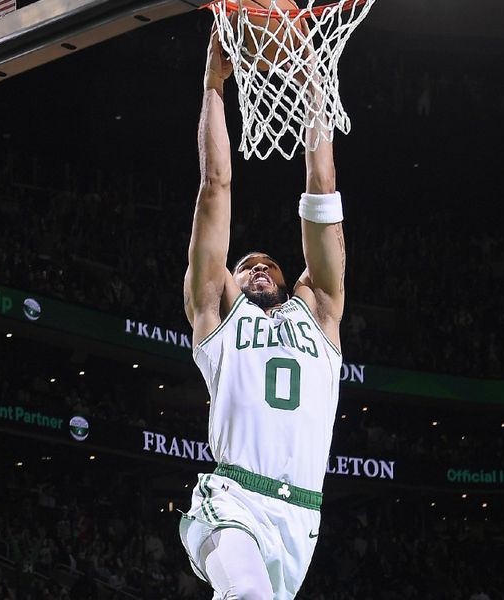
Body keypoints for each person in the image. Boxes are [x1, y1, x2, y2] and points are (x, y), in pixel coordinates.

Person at [178, 26, 345, 600]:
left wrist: (314, 89)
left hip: (302, 517)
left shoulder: (319, 312)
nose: (255, 268)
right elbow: (215, 186)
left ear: (289, 278)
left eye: (267, 264)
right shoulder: (218, 315)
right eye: (244, 264)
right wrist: (213, 87)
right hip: (231, 502)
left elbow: (322, 189)